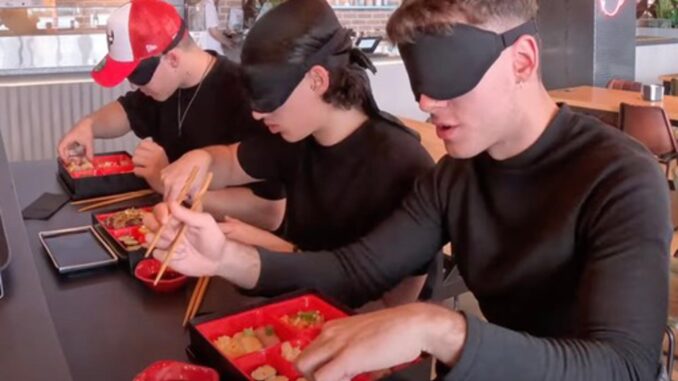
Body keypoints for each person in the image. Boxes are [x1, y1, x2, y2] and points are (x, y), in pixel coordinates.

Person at [149, 0, 672, 379]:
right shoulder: (455, 177)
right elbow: (356, 270)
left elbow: (623, 366)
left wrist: (441, 330)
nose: (426, 102)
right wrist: (226, 259)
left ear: (522, 61)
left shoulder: (619, 177)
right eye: (423, 81)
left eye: (449, 78)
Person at [152, 0, 437, 306]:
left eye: (269, 100)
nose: (258, 115)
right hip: (294, 303)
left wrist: (279, 252)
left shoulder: (401, 165)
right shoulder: (295, 136)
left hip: (356, 330)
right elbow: (230, 161)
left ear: (317, 80)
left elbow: (394, 308)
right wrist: (202, 160)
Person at [57, 0, 284, 230]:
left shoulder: (244, 96)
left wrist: (170, 187)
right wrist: (89, 125)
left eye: (138, 77)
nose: (135, 86)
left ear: (172, 59)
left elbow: (269, 213)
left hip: (226, 247)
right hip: (172, 228)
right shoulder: (164, 88)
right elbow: (127, 111)